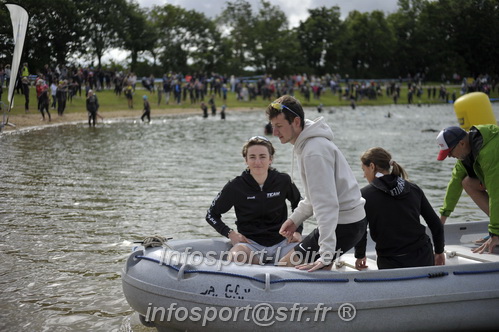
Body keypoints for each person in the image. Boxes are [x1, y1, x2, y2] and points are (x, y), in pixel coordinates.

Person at [267, 95, 367, 272]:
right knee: (303, 266)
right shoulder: (308, 145)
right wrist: (295, 220)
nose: (275, 132)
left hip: (344, 225)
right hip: (350, 222)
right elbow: (314, 198)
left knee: (284, 266)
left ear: (296, 122)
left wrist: (326, 254)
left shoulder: (313, 151)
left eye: (279, 126)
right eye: (273, 126)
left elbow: (326, 204)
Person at [206, 136, 302, 264]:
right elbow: (211, 214)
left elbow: (299, 205)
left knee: (310, 254)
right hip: (250, 246)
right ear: (246, 160)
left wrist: (297, 230)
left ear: (270, 159)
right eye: (252, 157)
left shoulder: (283, 180)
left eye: (262, 156)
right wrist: (230, 233)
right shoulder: (235, 186)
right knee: (236, 256)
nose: (257, 162)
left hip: (283, 243)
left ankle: (281, 272)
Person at [354, 147, 445, 270]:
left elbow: (360, 230)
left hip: (390, 261)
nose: (364, 176)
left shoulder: (365, 195)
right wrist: (439, 252)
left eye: (363, 170)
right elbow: (436, 224)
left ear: (371, 166)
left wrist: (360, 255)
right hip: (423, 257)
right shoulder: (413, 189)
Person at [436, 125, 499, 254]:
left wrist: (495, 233)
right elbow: (454, 184)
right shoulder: (466, 154)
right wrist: (442, 219)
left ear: (462, 143)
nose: (449, 156)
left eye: (450, 152)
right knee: (467, 182)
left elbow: (496, 193)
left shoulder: (489, 152)